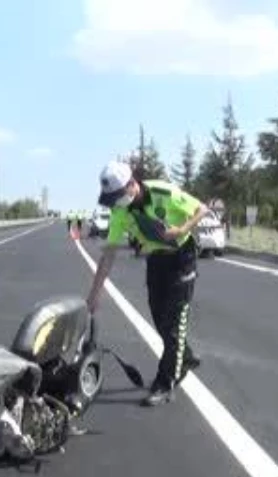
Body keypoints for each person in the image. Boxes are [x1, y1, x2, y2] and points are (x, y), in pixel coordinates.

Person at [85, 160, 207, 407]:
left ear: (132, 185)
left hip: (181, 258)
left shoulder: (163, 192)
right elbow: (109, 254)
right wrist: (94, 294)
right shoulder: (121, 212)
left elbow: (201, 209)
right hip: (156, 260)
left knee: (174, 324)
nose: (116, 203)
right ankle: (186, 357)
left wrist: (181, 229)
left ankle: (164, 384)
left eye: (118, 196)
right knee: (159, 318)